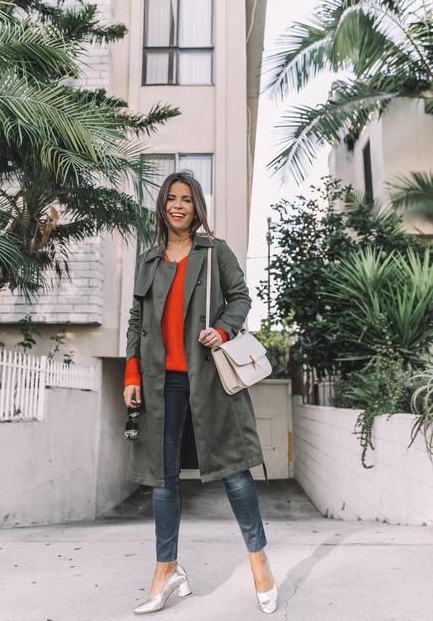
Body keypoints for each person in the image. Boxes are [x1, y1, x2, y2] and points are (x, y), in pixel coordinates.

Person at [123, 170, 278, 615]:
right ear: (162, 206)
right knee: (162, 476)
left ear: (196, 208)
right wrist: (131, 375)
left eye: (186, 199)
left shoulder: (214, 252)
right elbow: (137, 323)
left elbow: (241, 297)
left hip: (208, 377)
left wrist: (224, 330)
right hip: (159, 381)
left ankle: (259, 560)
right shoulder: (149, 260)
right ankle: (166, 569)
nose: (178, 205)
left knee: (233, 470)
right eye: (171, 198)